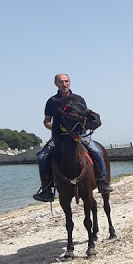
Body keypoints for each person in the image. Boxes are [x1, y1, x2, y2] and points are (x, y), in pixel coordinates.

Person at [33, 73, 113, 202]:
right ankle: (46, 189)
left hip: (79, 134)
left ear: (70, 82)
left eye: (66, 81)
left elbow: (85, 118)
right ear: (56, 84)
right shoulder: (52, 101)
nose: (64, 84)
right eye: (61, 82)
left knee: (96, 151)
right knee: (42, 157)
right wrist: (56, 128)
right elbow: (46, 121)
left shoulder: (78, 99)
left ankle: (103, 181)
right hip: (60, 136)